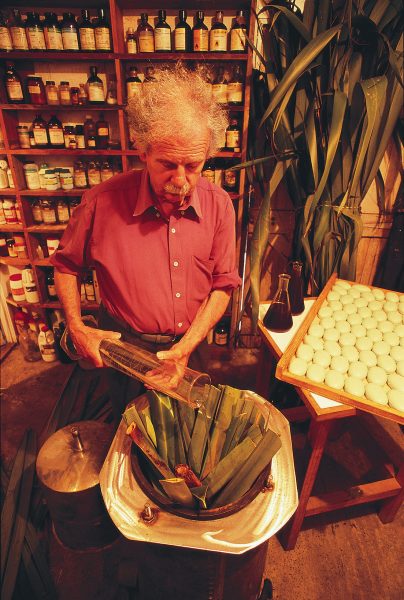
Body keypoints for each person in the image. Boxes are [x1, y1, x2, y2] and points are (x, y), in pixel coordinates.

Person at [51, 63, 241, 420]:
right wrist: (76, 326)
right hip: (124, 346)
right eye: (167, 164)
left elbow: (223, 285)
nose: (181, 180)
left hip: (192, 344)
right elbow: (65, 266)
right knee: (127, 425)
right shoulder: (99, 202)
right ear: (142, 150)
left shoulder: (219, 206)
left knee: (184, 433)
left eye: (194, 166)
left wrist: (186, 348)